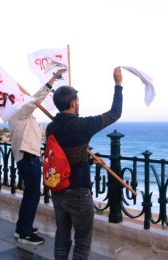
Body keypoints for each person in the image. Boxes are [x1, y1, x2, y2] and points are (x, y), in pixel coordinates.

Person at [46, 67, 123, 259]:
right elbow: (114, 113)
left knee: (62, 237)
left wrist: (85, 154)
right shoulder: (82, 125)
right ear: (73, 103)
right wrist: (118, 84)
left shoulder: (50, 128)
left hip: (57, 188)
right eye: (77, 101)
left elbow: (63, 154)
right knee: (82, 240)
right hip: (78, 189)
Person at [9, 69, 66, 245]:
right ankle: (24, 233)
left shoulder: (26, 117)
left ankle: (23, 227)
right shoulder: (19, 113)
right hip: (28, 158)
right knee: (32, 196)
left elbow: (41, 132)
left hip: (29, 158)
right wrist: (53, 80)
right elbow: (36, 100)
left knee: (30, 195)